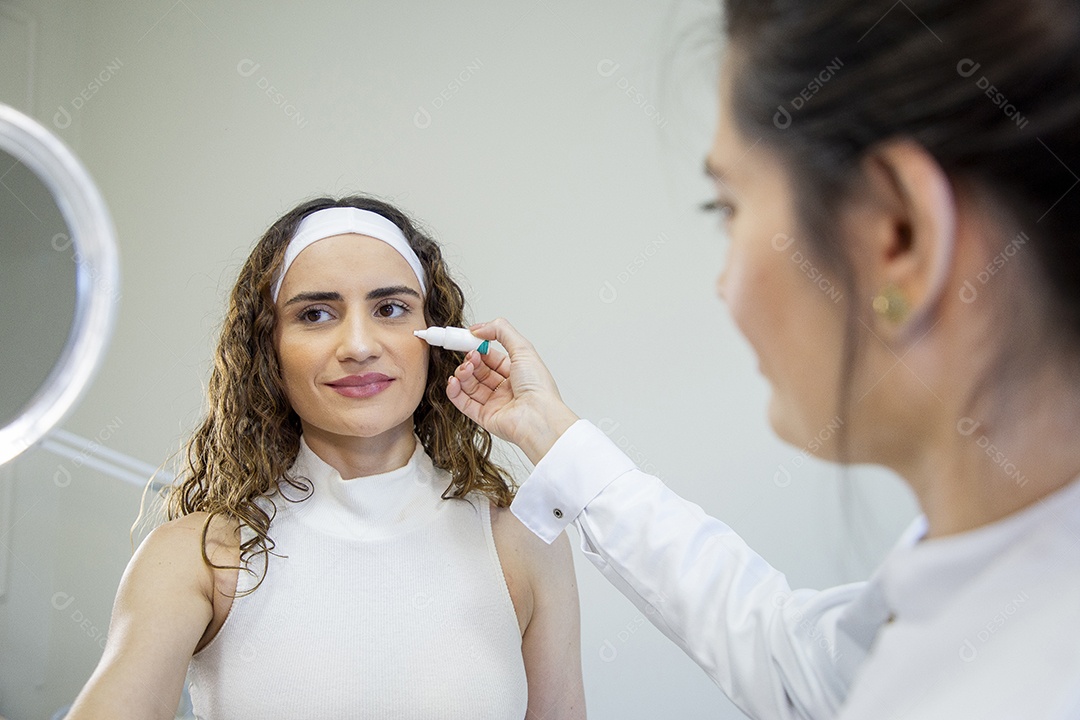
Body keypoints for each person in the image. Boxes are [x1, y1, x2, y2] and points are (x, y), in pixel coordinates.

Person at [446, 1, 1080, 718]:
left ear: (899, 235)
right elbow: (789, 658)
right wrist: (552, 434)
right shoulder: (972, 593)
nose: (725, 285)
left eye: (729, 209)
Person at [65, 196, 585, 719]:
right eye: (315, 314)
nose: (358, 345)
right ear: (270, 348)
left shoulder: (523, 547)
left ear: (436, 337)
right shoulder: (199, 558)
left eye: (390, 309)